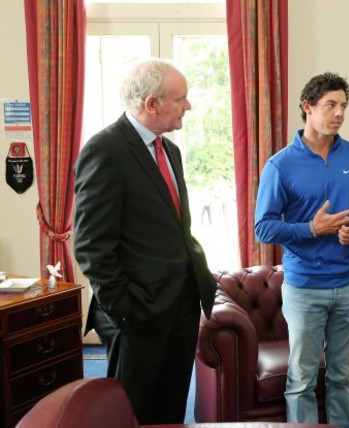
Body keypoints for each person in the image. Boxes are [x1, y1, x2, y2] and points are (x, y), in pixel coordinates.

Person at [73, 58, 217, 425]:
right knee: (131, 411)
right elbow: (91, 244)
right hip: (138, 312)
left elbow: (173, 228)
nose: (189, 105)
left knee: (170, 406)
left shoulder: (170, 152)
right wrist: (123, 309)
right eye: (181, 98)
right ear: (152, 103)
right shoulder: (105, 150)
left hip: (181, 304)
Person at [254, 72, 349, 428]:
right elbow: (263, 227)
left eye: (343, 105)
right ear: (307, 107)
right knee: (301, 380)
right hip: (304, 287)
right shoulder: (280, 165)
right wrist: (312, 228)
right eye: (330, 105)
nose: (339, 113)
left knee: (343, 377)